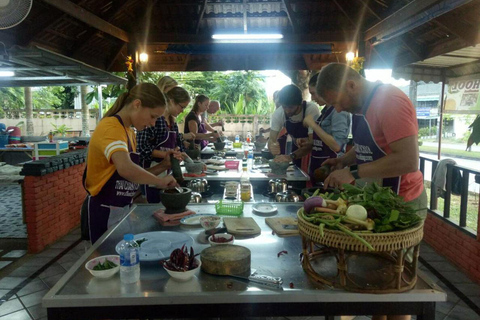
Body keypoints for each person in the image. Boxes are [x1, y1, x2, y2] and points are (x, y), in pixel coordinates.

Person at [317, 63, 426, 320]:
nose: (339, 109)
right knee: (377, 282)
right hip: (380, 200)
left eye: (338, 101)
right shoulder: (362, 105)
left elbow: (409, 160)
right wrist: (344, 160)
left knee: (395, 285)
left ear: (352, 85)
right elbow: (369, 143)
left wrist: (354, 174)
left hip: (403, 204)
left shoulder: (389, 101)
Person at [82, 83, 177, 243]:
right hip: (104, 211)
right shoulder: (110, 127)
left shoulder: (129, 132)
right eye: (153, 116)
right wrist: (159, 181)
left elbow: (133, 174)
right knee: (108, 262)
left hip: (122, 210)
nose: (153, 123)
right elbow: (125, 168)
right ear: (137, 104)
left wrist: (163, 166)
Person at [137, 86, 194, 203]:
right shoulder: (153, 120)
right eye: (182, 107)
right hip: (150, 171)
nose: (182, 111)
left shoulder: (173, 123)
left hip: (167, 172)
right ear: (172, 101)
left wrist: (182, 155)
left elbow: (180, 145)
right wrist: (166, 155)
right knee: (152, 206)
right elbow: (141, 148)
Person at [294, 73, 351, 185]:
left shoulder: (339, 112)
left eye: (314, 94)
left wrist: (313, 125)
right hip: (318, 167)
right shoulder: (325, 111)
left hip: (331, 171)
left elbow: (337, 145)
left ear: (325, 90)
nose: (312, 98)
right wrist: (311, 142)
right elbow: (323, 139)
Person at [267, 84, 320, 168]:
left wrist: (290, 156)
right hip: (296, 151)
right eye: (285, 107)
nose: (287, 111)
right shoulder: (279, 113)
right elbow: (271, 140)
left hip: (314, 152)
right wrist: (272, 146)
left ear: (300, 103)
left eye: (291, 107)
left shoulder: (311, 110)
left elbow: (311, 142)